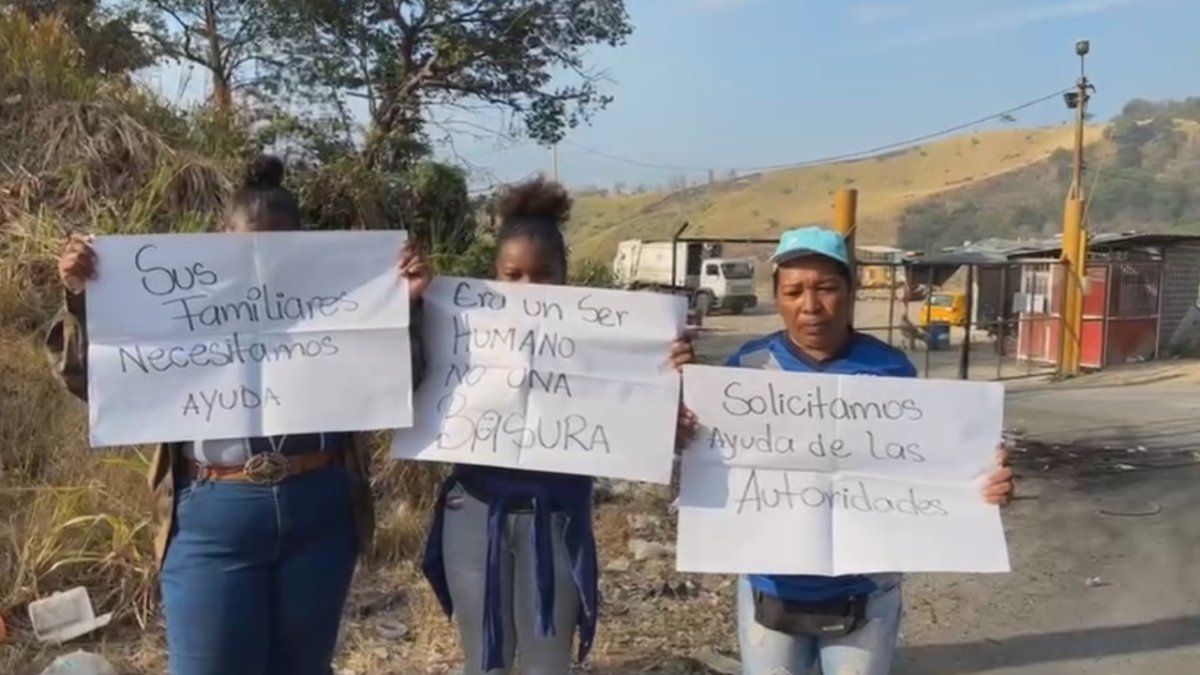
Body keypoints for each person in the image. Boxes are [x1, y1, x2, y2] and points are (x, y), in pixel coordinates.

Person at [47, 156, 431, 675]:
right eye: (248, 243)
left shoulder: (343, 298)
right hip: (210, 515)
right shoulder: (170, 298)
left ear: (302, 242)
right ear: (220, 236)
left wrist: (402, 307)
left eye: (279, 245)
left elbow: (403, 387)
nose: (262, 260)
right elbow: (88, 380)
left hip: (320, 509)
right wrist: (82, 298)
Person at [417, 177, 694, 675]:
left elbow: (651, 422)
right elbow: (405, 378)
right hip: (474, 514)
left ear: (566, 276)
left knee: (547, 665)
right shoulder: (460, 327)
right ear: (494, 276)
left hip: (558, 517)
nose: (529, 289)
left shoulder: (610, 338)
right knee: (484, 661)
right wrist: (411, 307)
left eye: (543, 275)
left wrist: (670, 376)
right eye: (513, 274)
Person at [715, 226, 1014, 675]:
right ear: (776, 296)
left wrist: (982, 486)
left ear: (851, 290)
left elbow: (928, 467)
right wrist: (681, 425)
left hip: (865, 591)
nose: (811, 306)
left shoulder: (891, 370)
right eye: (794, 290)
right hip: (770, 589)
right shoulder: (746, 368)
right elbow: (710, 455)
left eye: (826, 288)